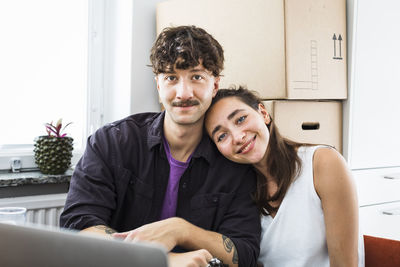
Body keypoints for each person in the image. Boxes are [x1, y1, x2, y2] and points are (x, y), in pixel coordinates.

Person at [60, 26, 260, 267]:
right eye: (171, 78)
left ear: (215, 85)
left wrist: (182, 230)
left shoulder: (232, 159)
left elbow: (245, 253)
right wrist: (163, 260)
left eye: (196, 77)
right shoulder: (111, 142)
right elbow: (78, 225)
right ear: (158, 85)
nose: (183, 93)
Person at [204, 87, 365, 267]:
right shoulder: (237, 195)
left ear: (263, 113)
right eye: (222, 136)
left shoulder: (322, 163)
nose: (238, 137)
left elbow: (346, 264)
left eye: (241, 119)